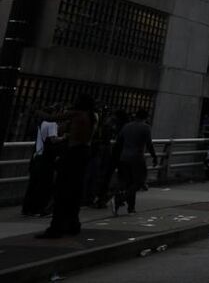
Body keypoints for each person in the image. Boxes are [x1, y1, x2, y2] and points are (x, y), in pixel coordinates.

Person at [36, 94, 97, 239]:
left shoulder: (77, 113)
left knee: (62, 190)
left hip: (73, 153)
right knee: (75, 191)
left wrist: (36, 110)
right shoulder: (92, 116)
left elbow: (52, 118)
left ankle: (56, 227)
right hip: (84, 152)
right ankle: (72, 224)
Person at [112, 109, 158, 216]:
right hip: (137, 157)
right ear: (146, 117)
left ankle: (131, 207)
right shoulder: (145, 127)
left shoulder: (126, 126)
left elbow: (119, 141)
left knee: (128, 182)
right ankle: (121, 199)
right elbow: (149, 144)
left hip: (124, 157)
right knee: (139, 181)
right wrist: (154, 156)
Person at [22, 105, 60, 216]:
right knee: (43, 185)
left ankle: (27, 208)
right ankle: (38, 209)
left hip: (37, 156)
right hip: (46, 158)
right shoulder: (52, 123)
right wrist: (64, 138)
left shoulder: (41, 123)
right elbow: (53, 139)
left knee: (33, 184)